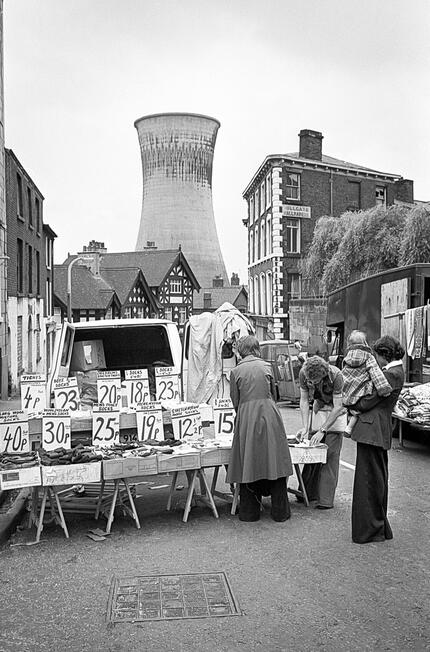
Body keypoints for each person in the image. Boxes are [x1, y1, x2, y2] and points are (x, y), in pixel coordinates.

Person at [226, 335, 293, 522]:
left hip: (247, 413)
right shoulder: (267, 366)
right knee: (274, 458)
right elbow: (274, 394)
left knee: (249, 459)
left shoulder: (236, 371)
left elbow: (235, 400)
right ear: (256, 349)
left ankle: (250, 512)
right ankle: (280, 511)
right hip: (269, 413)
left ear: (241, 350)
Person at [350, 335, 405, 544]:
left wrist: (354, 404)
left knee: (368, 482)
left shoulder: (391, 374)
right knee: (376, 479)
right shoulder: (395, 372)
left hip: (372, 431)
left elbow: (369, 400)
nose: (376, 360)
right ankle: (378, 527)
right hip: (377, 430)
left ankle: (370, 529)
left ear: (385, 354)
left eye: (378, 356)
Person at [298, 355, 346, 509]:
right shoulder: (303, 373)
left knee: (330, 455)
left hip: (335, 414)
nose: (311, 384)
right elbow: (304, 400)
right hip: (319, 411)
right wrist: (305, 427)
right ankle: (306, 493)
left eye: (315, 382)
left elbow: (338, 407)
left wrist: (322, 430)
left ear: (324, 375)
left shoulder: (337, 376)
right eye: (309, 381)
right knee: (311, 452)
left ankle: (325, 500)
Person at [342, 330, 392, 436]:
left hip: (349, 392)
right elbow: (376, 373)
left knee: (353, 410)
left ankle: (348, 426)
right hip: (362, 390)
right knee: (358, 412)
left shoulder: (346, 358)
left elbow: (344, 375)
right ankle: (349, 428)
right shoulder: (368, 357)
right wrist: (384, 389)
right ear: (364, 343)